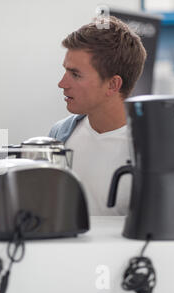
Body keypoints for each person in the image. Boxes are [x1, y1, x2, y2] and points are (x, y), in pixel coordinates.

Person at [49, 16, 147, 216]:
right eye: (65, 71)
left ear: (113, 85)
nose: (62, 83)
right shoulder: (60, 134)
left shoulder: (154, 148)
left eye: (75, 74)